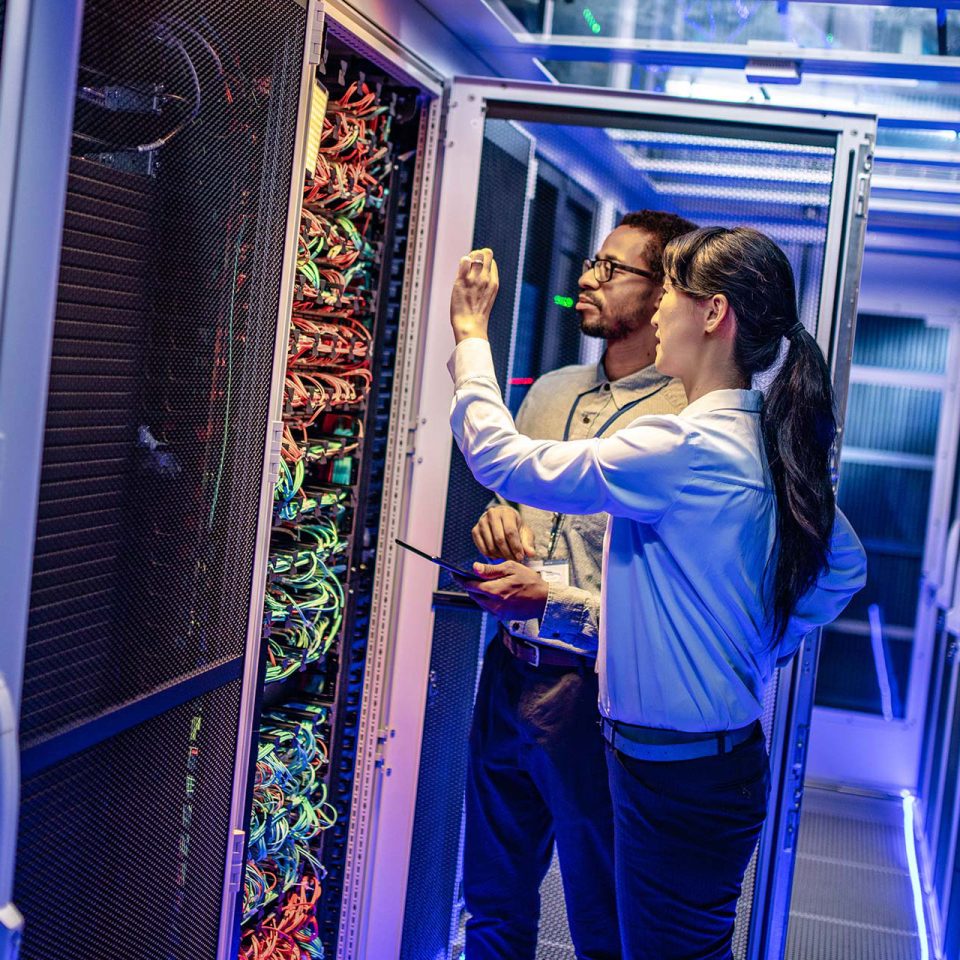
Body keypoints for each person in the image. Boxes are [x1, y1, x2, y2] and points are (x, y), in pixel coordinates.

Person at [448, 228, 867, 960]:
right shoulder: (756, 443)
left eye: (672, 290)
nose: (663, 306)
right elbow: (845, 567)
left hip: (677, 775)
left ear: (713, 314)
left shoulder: (683, 446)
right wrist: (758, 641)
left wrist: (470, 335)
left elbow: (500, 457)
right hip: (695, 765)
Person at [460, 212, 697, 960]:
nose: (587, 278)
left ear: (663, 295)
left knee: (601, 920)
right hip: (507, 674)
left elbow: (665, 606)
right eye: (592, 260)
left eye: (612, 268)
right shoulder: (551, 392)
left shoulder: (681, 421)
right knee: (491, 903)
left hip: (594, 698)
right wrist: (498, 524)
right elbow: (510, 500)